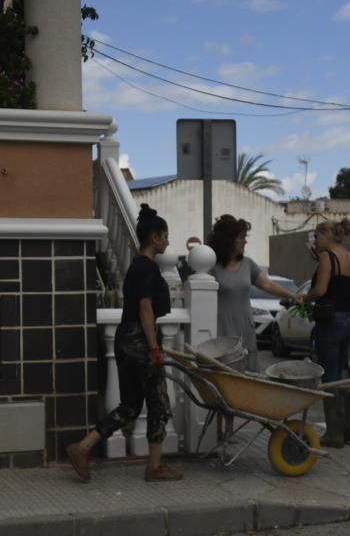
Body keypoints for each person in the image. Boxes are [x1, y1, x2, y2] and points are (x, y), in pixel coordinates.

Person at [66, 204, 182, 482]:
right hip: (139, 340)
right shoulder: (147, 269)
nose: (167, 241)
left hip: (124, 338)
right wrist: (154, 348)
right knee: (159, 402)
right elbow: (145, 309)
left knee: (131, 405)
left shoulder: (136, 267)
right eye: (165, 236)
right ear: (155, 237)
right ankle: (154, 466)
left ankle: (83, 446)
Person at [208, 214, 300, 372]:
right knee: (225, 371)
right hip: (222, 327)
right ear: (228, 240)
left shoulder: (248, 264)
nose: (245, 241)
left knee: (248, 371)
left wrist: (292, 295)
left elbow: (269, 285)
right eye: (241, 237)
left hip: (245, 326)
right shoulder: (211, 266)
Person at [301, 218, 350, 448]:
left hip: (332, 319)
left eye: (316, 237)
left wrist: (304, 299)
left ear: (327, 235)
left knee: (329, 375)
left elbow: (321, 290)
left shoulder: (328, 257)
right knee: (341, 372)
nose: (315, 242)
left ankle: (334, 433)